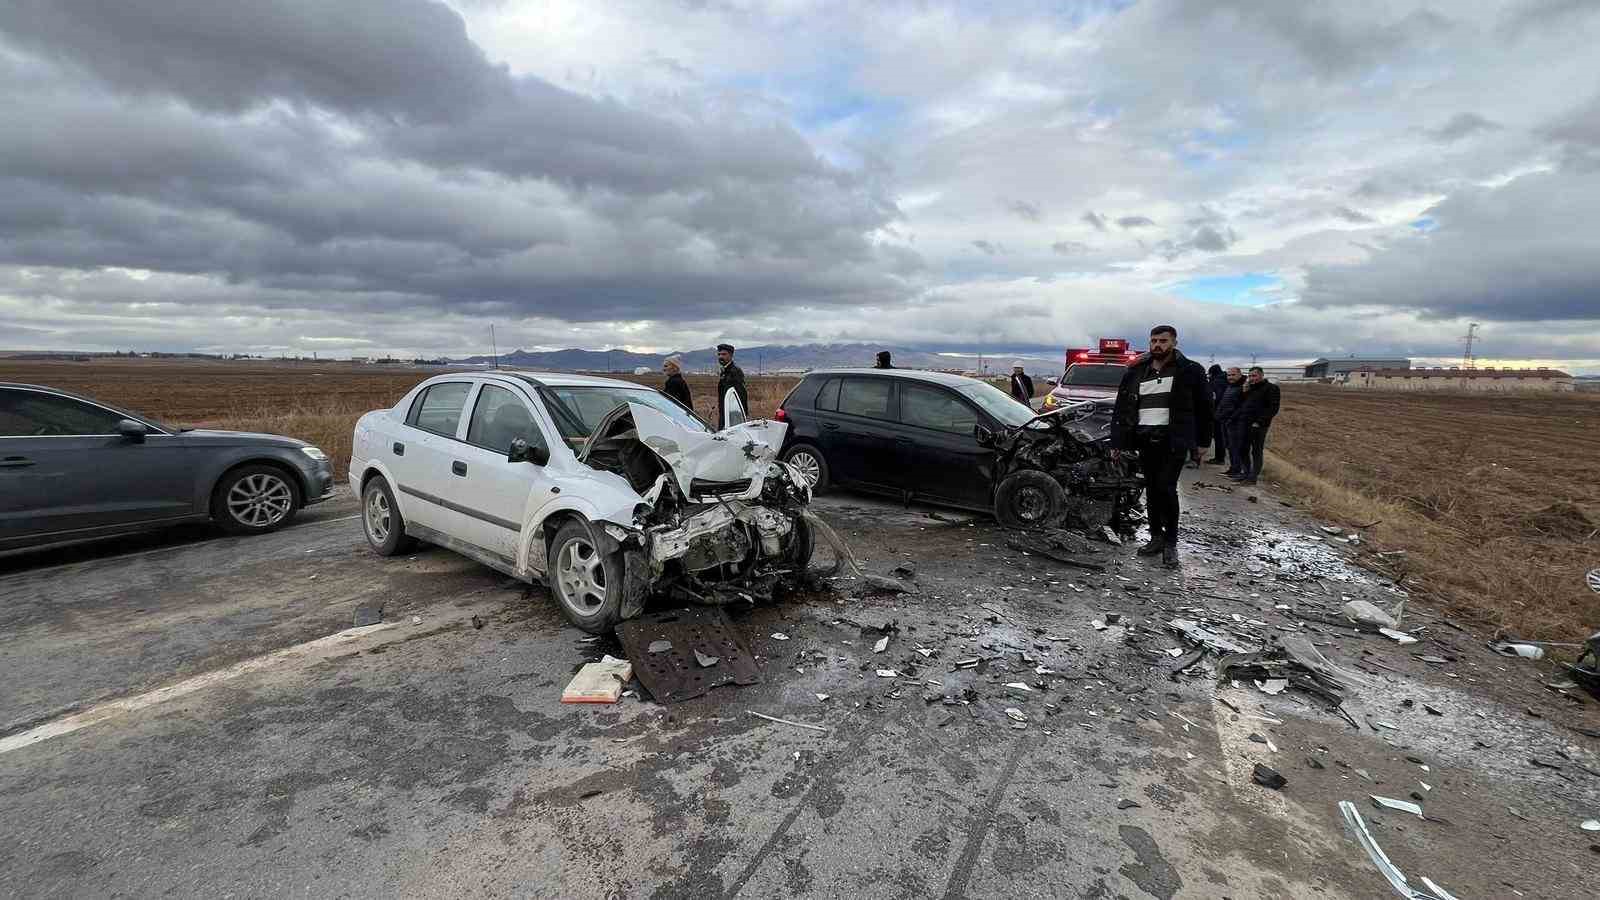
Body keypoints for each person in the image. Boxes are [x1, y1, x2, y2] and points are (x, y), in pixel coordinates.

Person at [1110, 324, 1213, 567]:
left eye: (1163, 341)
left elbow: (1205, 408)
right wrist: (1119, 441)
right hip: (1145, 440)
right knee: (1152, 490)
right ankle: (1156, 537)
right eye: (1154, 341)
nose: (1158, 345)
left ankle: (1170, 543)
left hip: (1173, 440)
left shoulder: (1190, 370)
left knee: (1167, 488)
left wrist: (1202, 442)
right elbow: (1122, 407)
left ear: (1174, 343)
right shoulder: (1137, 371)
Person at [1228, 366, 1280, 486]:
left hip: (1259, 426)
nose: (1252, 378)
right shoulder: (1249, 388)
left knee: (1256, 451)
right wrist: (1244, 391)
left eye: (1254, 376)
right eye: (1250, 376)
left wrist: (1260, 422)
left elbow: (1273, 408)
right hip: (1244, 423)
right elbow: (1239, 403)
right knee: (1242, 449)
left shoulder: (1271, 388)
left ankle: (1252, 477)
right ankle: (1245, 473)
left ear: (1261, 375)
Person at [1215, 367, 1245, 474]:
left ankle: (1237, 469)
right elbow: (1224, 402)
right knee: (1229, 446)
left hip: (1235, 423)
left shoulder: (1243, 387)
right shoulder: (1230, 386)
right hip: (1225, 421)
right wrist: (1218, 415)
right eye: (1228, 375)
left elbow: (1241, 407)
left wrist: (1231, 418)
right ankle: (1233, 468)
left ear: (1240, 375)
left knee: (1235, 447)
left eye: (1233, 375)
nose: (1230, 377)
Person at [715, 343, 748, 427]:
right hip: (725, 412)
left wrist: (741, 415)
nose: (720, 357)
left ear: (731, 355)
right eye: (719, 354)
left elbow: (741, 395)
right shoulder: (725, 371)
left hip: (732, 414)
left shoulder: (735, 372)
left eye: (724, 354)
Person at [1205, 364, 1228, 464]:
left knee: (1219, 436)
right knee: (1222, 436)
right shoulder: (1225, 380)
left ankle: (1219, 458)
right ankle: (1221, 456)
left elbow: (1215, 398)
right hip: (1224, 413)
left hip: (1217, 413)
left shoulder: (1216, 382)